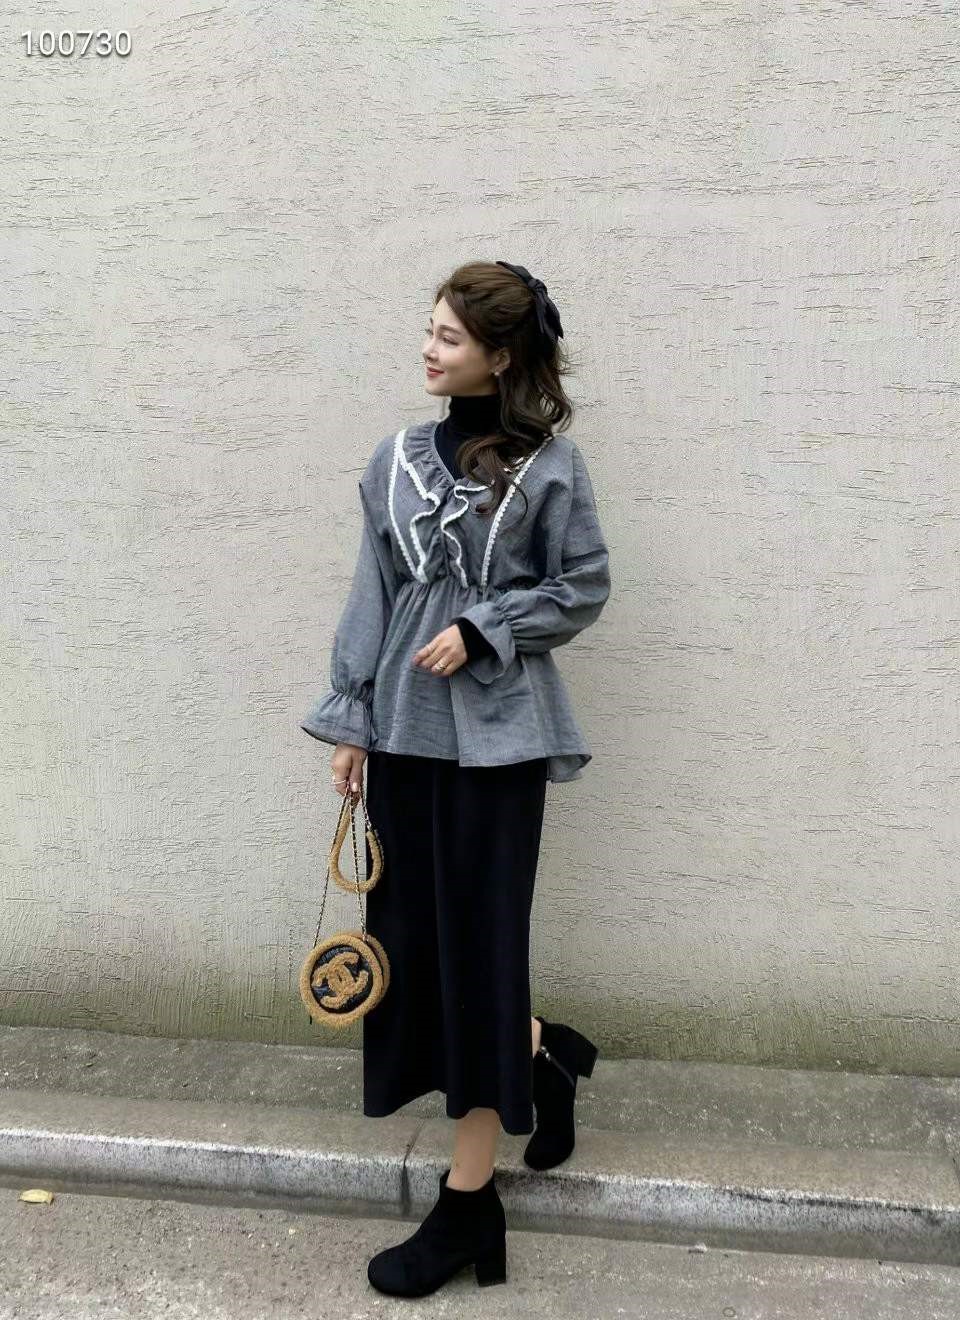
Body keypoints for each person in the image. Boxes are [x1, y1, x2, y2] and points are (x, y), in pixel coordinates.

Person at [300, 260, 611, 1297]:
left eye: (448, 336)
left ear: (500, 355)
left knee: (478, 958)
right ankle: (540, 1055)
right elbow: (376, 587)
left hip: (499, 749)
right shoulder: (395, 459)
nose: (428, 350)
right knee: (420, 956)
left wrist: (487, 627)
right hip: (403, 737)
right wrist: (351, 719)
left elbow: (583, 585)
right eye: (429, 330)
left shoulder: (552, 469)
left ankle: (469, 1201)